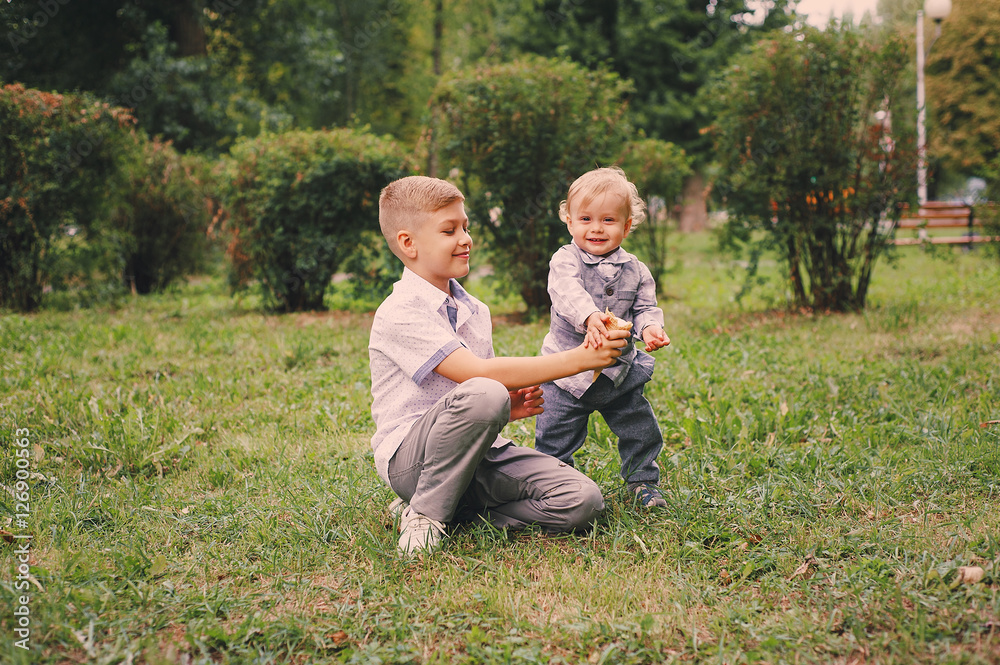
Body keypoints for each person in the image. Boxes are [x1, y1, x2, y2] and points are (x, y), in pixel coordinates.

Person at [369, 175, 630, 556]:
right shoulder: (400, 311)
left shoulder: (476, 311)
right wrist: (580, 360)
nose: (465, 239)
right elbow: (477, 376)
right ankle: (426, 513)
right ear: (408, 243)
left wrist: (504, 408)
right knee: (486, 390)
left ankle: (457, 514)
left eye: (466, 227)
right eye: (449, 230)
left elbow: (478, 395)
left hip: (479, 454)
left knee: (582, 500)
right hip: (412, 463)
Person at [534, 167, 671, 508]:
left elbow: (644, 308)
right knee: (554, 437)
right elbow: (566, 292)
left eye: (608, 220)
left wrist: (650, 328)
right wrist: (589, 316)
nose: (596, 228)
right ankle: (554, 484)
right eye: (586, 219)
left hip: (618, 374)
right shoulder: (565, 260)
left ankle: (642, 481)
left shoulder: (636, 270)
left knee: (640, 428)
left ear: (626, 226)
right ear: (569, 222)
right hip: (566, 375)